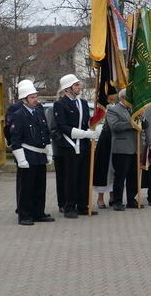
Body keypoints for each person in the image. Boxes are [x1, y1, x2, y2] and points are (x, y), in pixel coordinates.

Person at [53, 74, 100, 218]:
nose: (80, 87)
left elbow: (86, 122)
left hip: (84, 145)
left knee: (84, 176)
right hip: (69, 146)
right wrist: (85, 134)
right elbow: (63, 127)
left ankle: (83, 205)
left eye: (79, 84)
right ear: (68, 88)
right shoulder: (60, 104)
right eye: (76, 85)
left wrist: (92, 129)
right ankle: (69, 207)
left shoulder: (83, 103)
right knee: (71, 177)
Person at [9, 81, 54, 225]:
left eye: (36, 96)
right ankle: (25, 215)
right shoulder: (18, 115)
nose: (36, 100)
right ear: (24, 99)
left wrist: (48, 151)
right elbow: (15, 139)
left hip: (39, 155)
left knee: (40, 187)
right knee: (26, 188)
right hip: (27, 155)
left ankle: (38, 213)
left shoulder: (39, 112)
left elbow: (45, 133)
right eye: (32, 97)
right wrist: (21, 159)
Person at [106, 89, 139, 210]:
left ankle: (132, 199)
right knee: (120, 176)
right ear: (123, 98)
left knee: (133, 176)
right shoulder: (113, 110)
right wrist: (132, 124)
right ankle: (117, 201)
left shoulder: (134, 109)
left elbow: (140, 123)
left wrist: (142, 123)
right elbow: (115, 126)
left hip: (135, 148)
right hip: (121, 148)